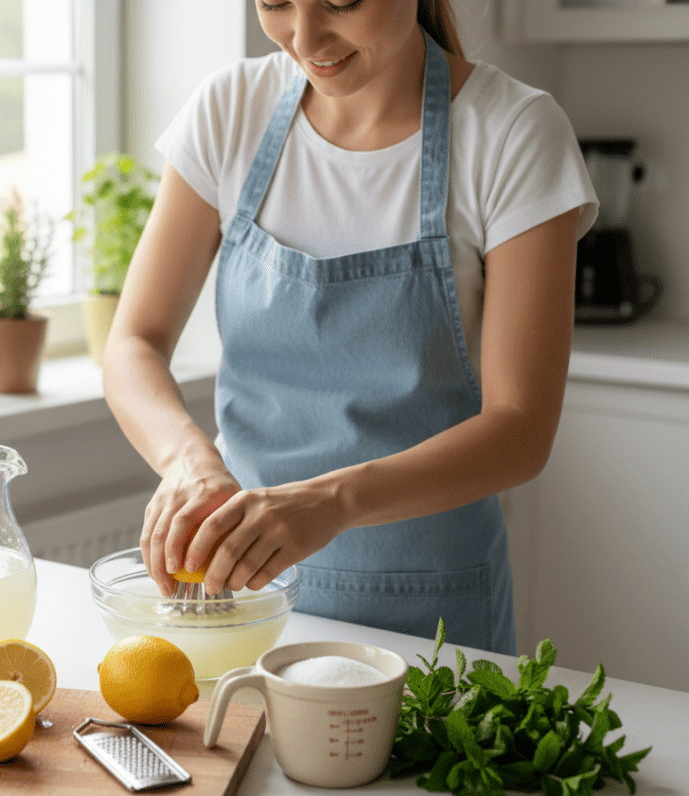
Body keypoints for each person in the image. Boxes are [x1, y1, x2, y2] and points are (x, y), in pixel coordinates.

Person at [101, 0, 598, 654]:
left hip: (432, 613)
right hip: (242, 602)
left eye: (340, 2)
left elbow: (521, 428)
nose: (305, 39)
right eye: (276, 2)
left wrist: (332, 502)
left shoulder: (512, 132)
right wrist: (188, 460)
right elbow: (133, 343)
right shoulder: (229, 111)